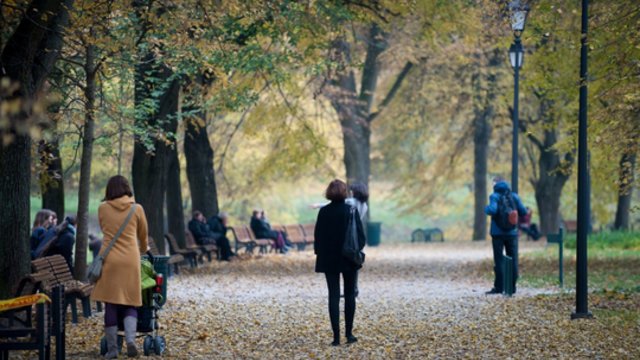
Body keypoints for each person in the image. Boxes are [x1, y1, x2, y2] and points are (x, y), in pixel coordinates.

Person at [91, 175, 148, 359]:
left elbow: (104, 230)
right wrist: (143, 249)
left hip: (110, 260)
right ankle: (131, 340)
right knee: (131, 301)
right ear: (127, 188)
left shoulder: (102, 208)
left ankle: (113, 349)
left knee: (111, 303)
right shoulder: (137, 208)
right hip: (131, 259)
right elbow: (143, 235)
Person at [314, 179, 366, 346]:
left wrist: (321, 254)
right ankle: (349, 334)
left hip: (329, 259)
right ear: (345, 193)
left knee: (333, 296)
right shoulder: (351, 210)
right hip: (348, 258)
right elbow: (360, 237)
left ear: (328, 192)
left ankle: (336, 338)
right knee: (350, 295)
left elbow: (318, 237)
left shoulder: (323, 212)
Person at [484, 177, 527, 295]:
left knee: (499, 260)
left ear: (495, 186)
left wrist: (486, 208)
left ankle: (499, 287)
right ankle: (511, 288)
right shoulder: (514, 196)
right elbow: (523, 212)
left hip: (497, 234)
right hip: (512, 233)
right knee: (513, 259)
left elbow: (492, 210)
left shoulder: (494, 196)